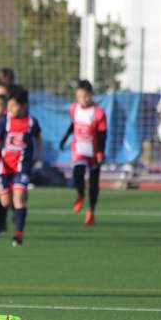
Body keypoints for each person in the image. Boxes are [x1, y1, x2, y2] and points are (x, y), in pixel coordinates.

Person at [0, 86, 41, 246]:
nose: (10, 109)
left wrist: (38, 155)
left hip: (22, 167)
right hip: (4, 167)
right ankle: (16, 212)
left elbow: (38, 138)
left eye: (13, 106)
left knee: (18, 198)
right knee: (5, 201)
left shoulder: (31, 122)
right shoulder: (4, 121)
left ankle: (18, 233)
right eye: (8, 106)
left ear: (23, 105)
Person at [60, 80, 107, 226]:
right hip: (79, 149)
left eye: (86, 96)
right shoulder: (74, 109)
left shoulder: (98, 113)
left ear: (92, 95)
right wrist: (66, 137)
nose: (83, 99)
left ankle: (91, 211)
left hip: (94, 151)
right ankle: (80, 194)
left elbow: (102, 134)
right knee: (78, 173)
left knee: (94, 183)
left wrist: (100, 152)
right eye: (80, 96)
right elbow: (73, 124)